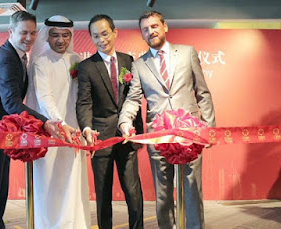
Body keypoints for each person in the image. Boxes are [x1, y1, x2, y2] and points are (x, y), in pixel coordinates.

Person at [0, 11, 73, 229]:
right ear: (10, 32)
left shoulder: (18, 56)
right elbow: (12, 104)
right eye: (24, 32)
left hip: (0, 131)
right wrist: (44, 122)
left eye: (33, 33)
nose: (29, 38)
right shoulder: (7, 58)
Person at [118, 10, 216, 229]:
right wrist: (125, 122)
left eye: (154, 26)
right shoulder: (139, 65)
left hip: (190, 134)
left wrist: (209, 128)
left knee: (192, 189)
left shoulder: (187, 53)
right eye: (145, 29)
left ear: (165, 27)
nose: (150, 31)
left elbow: (203, 93)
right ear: (142, 35)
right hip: (158, 137)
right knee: (162, 194)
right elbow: (133, 99)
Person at [76, 14, 144, 229]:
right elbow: (84, 102)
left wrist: (137, 129)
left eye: (105, 34)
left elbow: (133, 97)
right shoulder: (87, 67)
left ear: (115, 33)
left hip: (126, 136)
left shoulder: (127, 60)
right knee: (103, 193)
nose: (101, 39)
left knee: (133, 191)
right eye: (95, 36)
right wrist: (87, 128)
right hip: (101, 138)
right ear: (91, 38)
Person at [26, 15, 91, 228]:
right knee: (49, 180)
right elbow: (45, 98)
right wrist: (60, 123)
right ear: (47, 36)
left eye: (65, 35)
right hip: (52, 130)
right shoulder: (40, 61)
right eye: (55, 35)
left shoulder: (77, 60)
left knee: (72, 178)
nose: (60, 40)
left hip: (75, 131)